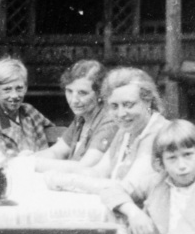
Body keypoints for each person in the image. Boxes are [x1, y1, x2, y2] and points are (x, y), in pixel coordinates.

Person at [44, 67, 169, 198]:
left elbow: (128, 189)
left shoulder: (159, 133)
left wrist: (69, 181)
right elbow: (98, 172)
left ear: (148, 100)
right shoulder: (126, 131)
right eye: (114, 106)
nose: (121, 114)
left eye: (128, 104)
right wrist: (60, 177)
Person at [35, 60, 118, 171]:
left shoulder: (109, 121)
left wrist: (33, 164)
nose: (74, 100)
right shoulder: (81, 119)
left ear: (100, 93)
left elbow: (85, 166)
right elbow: (56, 152)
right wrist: (28, 158)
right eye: (69, 91)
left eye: (82, 93)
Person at [0, 57, 54, 158]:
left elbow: (55, 132)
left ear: (26, 87)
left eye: (19, 88)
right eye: (7, 89)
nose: (14, 95)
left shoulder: (29, 111)